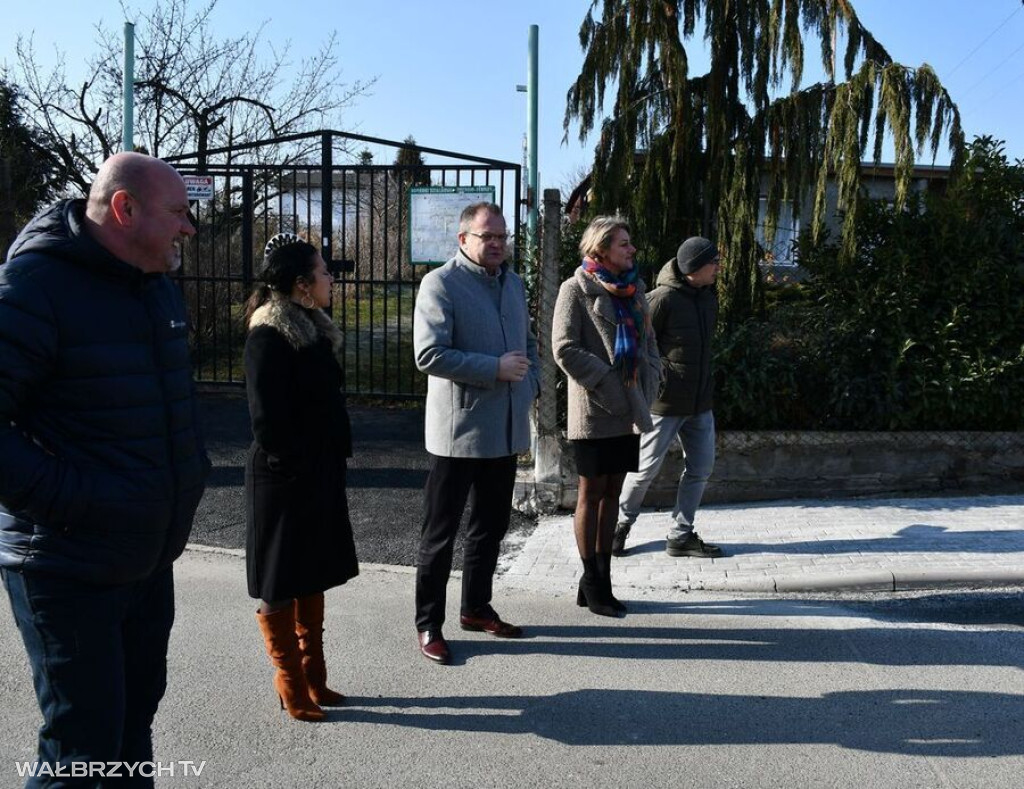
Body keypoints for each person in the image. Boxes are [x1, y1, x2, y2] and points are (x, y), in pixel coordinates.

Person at [0, 151, 209, 783]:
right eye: (178, 213)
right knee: (82, 752)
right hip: (65, 566)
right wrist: (77, 502)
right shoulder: (35, 286)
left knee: (131, 728)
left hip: (145, 559)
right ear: (124, 209)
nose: (189, 228)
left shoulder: (152, 285)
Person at [412, 202, 539, 664]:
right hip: (458, 432)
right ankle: (429, 624)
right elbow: (429, 355)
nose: (498, 244)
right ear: (463, 239)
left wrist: (530, 382)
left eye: (502, 237)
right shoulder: (440, 283)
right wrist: (495, 369)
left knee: (490, 528)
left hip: (504, 431)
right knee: (440, 535)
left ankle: (476, 607)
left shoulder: (514, 283)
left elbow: (529, 346)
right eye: (488, 236)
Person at [243, 233, 359, 721]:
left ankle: (315, 675)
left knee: (312, 568)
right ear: (301, 284)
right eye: (324, 271)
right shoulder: (269, 334)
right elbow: (267, 419)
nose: (331, 278)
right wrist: (295, 466)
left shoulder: (312, 326)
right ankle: (290, 680)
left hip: (318, 472)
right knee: (281, 576)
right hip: (283, 476)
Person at [552, 215, 661, 617]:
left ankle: (600, 581)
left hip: (629, 408)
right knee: (591, 494)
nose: (631, 249)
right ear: (600, 249)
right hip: (595, 408)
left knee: (613, 493)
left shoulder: (635, 290)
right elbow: (563, 348)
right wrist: (609, 383)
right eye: (623, 243)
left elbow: (649, 342)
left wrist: (649, 380)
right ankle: (593, 582)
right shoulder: (574, 288)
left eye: (630, 243)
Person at [614, 236, 723, 558]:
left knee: (701, 468)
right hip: (663, 405)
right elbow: (639, 346)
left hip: (700, 404)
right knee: (644, 471)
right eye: (714, 261)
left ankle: (680, 535)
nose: (718, 267)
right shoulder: (661, 299)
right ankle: (617, 527)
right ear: (695, 266)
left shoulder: (708, 298)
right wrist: (654, 382)